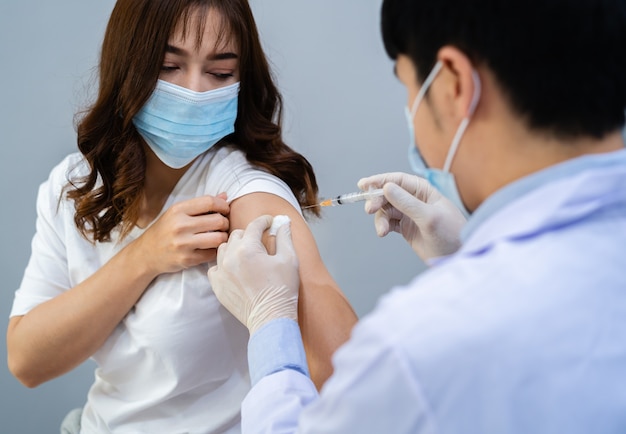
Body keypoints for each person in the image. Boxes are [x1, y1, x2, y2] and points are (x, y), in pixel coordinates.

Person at [207, 0, 626, 432]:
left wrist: (271, 328)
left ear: (454, 85)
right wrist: (460, 255)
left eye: (409, 87)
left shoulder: (417, 350)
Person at [6, 0, 357, 433]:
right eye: (170, 66)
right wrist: (144, 256)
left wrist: (275, 314)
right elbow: (27, 360)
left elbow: (350, 379)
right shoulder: (78, 185)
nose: (194, 91)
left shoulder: (244, 194)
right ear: (128, 65)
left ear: (242, 80)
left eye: (220, 73)